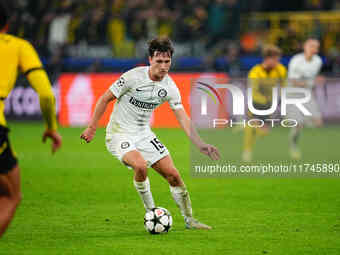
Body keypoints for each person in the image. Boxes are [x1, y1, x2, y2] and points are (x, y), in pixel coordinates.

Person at [80, 37, 220, 230]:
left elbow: (182, 118)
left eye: (167, 61)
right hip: (119, 134)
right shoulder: (132, 77)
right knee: (140, 166)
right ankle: (152, 213)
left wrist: (200, 144)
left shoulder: (170, 87)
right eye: (159, 61)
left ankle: (190, 220)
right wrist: (92, 127)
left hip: (144, 134)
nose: (163, 66)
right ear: (150, 59)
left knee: (173, 176)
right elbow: (105, 99)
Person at [0, 4, 62, 238]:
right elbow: (46, 95)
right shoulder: (18, 46)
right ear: (6, 25)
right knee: (10, 195)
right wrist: (51, 128)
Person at [242, 45, 287, 162]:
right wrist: (265, 102)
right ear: (268, 59)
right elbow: (253, 92)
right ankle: (247, 151)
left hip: (270, 104)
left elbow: (283, 87)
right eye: (276, 60)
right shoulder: (255, 72)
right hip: (256, 103)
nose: (278, 62)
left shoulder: (280, 70)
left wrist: (281, 100)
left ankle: (249, 126)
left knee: (264, 133)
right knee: (251, 127)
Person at [287, 39, 323, 159]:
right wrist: (312, 82)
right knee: (298, 125)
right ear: (305, 47)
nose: (314, 49)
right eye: (312, 46)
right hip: (293, 94)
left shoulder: (318, 61)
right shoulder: (296, 60)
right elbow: (293, 81)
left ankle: (301, 121)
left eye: (316, 47)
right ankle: (293, 145)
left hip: (307, 94)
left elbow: (312, 80)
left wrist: (313, 83)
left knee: (318, 122)